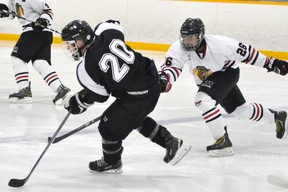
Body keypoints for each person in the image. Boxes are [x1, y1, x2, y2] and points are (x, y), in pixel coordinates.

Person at [60, 20, 191, 173]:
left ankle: (112, 162)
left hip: (137, 95)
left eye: (72, 44)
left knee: (107, 127)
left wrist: (79, 101)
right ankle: (171, 142)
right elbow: (114, 23)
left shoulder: (85, 68)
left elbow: (101, 95)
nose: (70, 49)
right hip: (152, 79)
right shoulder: (107, 32)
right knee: (131, 118)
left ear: (83, 39)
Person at [159, 18, 288, 157]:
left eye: (191, 38)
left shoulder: (220, 44)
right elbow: (171, 67)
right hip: (209, 80)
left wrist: (270, 63)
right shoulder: (178, 48)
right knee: (241, 111)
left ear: (201, 36)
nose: (188, 42)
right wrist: (165, 79)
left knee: (202, 100)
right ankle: (276, 117)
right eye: (185, 38)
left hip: (227, 73)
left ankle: (223, 141)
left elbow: (247, 53)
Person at [0, 0, 70, 105]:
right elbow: (14, 12)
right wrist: (5, 11)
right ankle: (60, 89)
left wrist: (43, 20)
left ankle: (24, 89)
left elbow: (48, 11)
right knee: (39, 62)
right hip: (43, 34)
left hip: (34, 31)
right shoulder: (12, 1)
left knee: (17, 58)